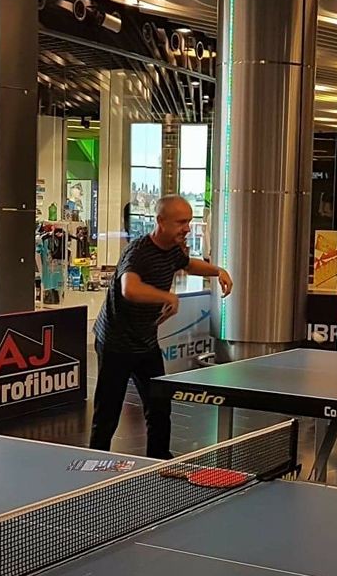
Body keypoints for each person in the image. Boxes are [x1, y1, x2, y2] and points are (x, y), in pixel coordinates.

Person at [90, 194, 232, 458]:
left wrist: (217, 271)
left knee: (159, 405)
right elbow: (130, 289)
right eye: (180, 222)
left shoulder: (173, 251)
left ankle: (159, 459)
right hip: (116, 343)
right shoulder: (138, 252)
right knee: (107, 412)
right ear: (160, 221)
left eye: (188, 221)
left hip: (146, 342)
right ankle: (95, 463)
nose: (187, 228)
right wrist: (167, 297)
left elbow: (188, 265)